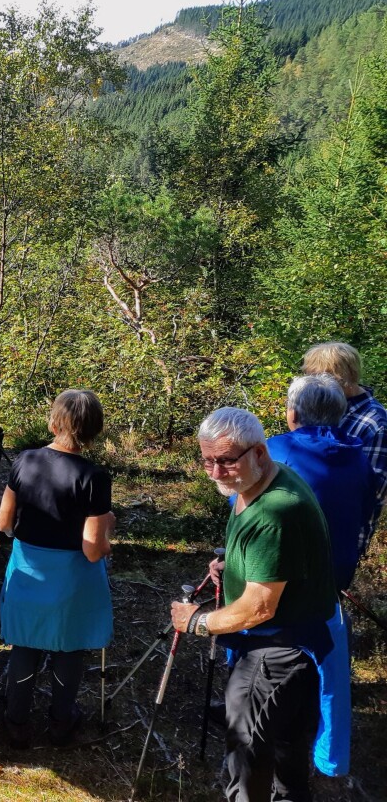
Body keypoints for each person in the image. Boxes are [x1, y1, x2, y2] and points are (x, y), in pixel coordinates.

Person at [171, 407, 350, 799]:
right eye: (207, 461)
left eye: (226, 461)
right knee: (285, 738)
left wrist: (197, 621)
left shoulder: (276, 511)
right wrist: (233, 565)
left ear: (259, 453)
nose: (216, 473)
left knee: (246, 746)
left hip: (278, 649)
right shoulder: (259, 483)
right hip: (288, 637)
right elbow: (264, 559)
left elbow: (259, 607)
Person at [0, 389, 114, 748]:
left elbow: (3, 522)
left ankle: (16, 721)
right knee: (69, 647)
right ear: (94, 430)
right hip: (72, 577)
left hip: (28, 568)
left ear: (54, 422)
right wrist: (109, 532)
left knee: (25, 644)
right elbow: (93, 550)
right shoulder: (94, 477)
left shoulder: (25, 461)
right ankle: (62, 721)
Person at [266, 374, 374, 591]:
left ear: (294, 413)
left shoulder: (276, 451)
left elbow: (243, 507)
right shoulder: (358, 456)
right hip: (337, 573)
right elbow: (366, 511)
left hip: (282, 575)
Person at [302, 341, 387, 556]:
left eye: (317, 377)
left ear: (340, 377)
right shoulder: (324, 408)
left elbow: (375, 489)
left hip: (340, 537)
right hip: (305, 525)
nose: (312, 385)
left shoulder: (375, 423)